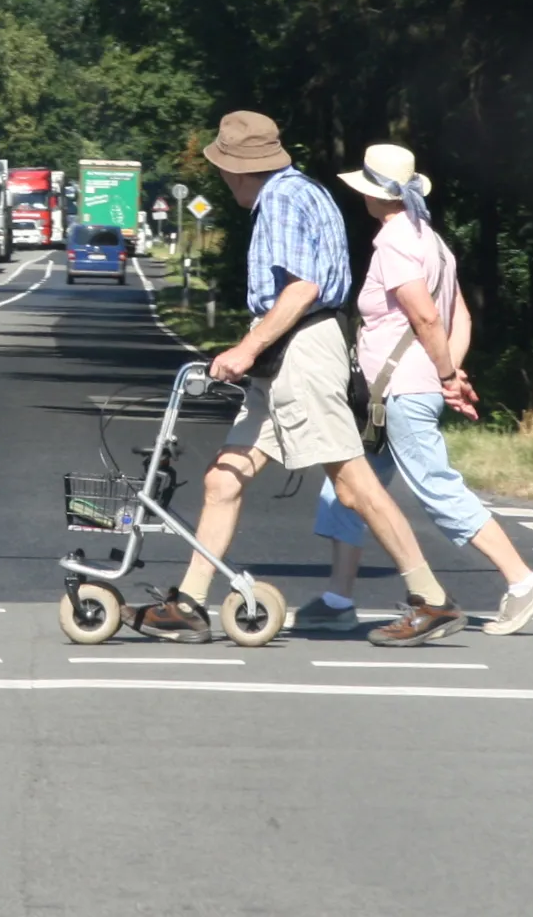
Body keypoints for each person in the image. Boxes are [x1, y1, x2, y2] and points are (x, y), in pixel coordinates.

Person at [130, 112, 460, 646]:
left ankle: (433, 600)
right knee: (223, 477)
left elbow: (303, 288)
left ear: (238, 170)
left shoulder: (281, 199)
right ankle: (189, 603)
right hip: (288, 351)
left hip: (302, 349)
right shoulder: (301, 191)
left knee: (353, 486)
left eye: (223, 169)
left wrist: (247, 346)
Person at [296, 144, 533, 639]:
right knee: (346, 489)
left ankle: (523, 581)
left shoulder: (395, 242)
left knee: (436, 487)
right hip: (396, 393)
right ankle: (337, 598)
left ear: (376, 196)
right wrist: (452, 372)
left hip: (399, 394)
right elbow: (461, 316)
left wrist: (443, 376)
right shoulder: (432, 240)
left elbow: (426, 315)